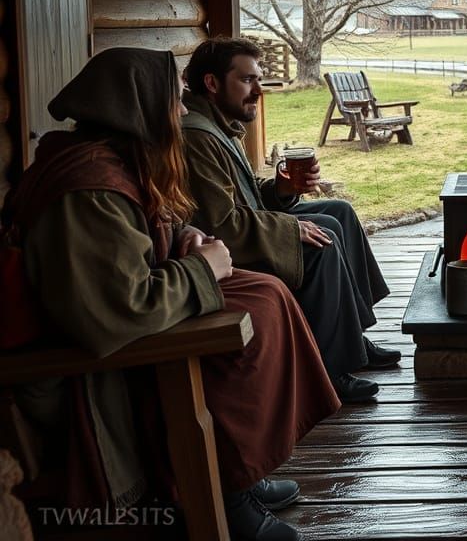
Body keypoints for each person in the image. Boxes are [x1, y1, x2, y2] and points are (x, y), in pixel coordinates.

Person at [2, 48, 340, 541]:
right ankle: (224, 495)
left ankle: (238, 473)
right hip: (79, 369)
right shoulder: (87, 191)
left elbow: (138, 238)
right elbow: (112, 314)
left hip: (118, 330)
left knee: (263, 294)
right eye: (172, 101)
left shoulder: (113, 163)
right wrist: (201, 271)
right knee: (253, 314)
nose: (182, 111)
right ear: (135, 106)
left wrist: (184, 239)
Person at [180, 38, 398, 403]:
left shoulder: (219, 124)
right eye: (248, 80)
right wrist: (291, 227)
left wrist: (280, 190)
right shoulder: (199, 138)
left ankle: (352, 336)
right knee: (322, 238)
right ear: (212, 83)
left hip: (249, 226)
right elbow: (224, 226)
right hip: (227, 251)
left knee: (338, 211)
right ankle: (329, 368)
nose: (258, 91)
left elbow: (243, 197)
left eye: (259, 80)